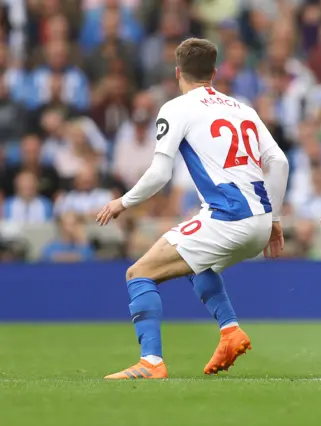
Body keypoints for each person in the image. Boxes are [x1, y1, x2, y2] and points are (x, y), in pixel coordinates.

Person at [95, 38, 289, 379]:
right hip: (257, 218)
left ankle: (150, 363)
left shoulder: (177, 107)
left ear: (177, 73)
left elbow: (159, 174)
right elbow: (280, 161)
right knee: (195, 264)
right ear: (214, 73)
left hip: (229, 217)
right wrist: (273, 219)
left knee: (138, 274)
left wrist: (121, 202)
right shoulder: (243, 108)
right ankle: (230, 330)